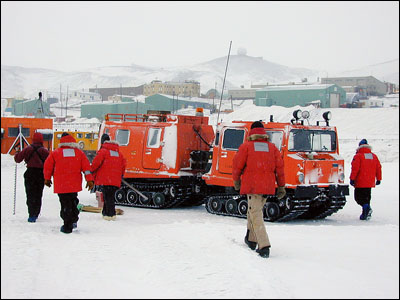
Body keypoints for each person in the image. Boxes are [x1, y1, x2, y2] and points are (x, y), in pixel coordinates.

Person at [232, 121, 286, 258]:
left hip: (253, 185)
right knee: (253, 211)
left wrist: (237, 181)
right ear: (263, 132)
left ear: (251, 132)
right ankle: (251, 239)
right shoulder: (272, 148)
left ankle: (264, 245)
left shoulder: (246, 147)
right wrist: (281, 186)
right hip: (267, 187)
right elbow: (280, 169)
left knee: (255, 214)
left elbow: (237, 166)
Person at [43, 133, 94, 233]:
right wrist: (89, 179)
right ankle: (73, 219)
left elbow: (48, 167)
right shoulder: (79, 153)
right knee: (73, 201)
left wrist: (47, 178)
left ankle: (67, 226)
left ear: (61, 141)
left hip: (61, 185)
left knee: (65, 204)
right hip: (74, 184)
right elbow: (86, 168)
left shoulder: (56, 153)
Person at [14, 132, 50, 222]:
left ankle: (31, 214)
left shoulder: (28, 149)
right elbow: (50, 163)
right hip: (40, 174)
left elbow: (18, 159)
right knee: (38, 194)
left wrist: (17, 152)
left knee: (30, 194)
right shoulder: (44, 151)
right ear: (42, 140)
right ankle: (36, 213)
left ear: (33, 139)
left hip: (30, 173)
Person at [91, 133, 126, 220]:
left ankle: (110, 214)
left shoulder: (103, 151)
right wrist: (120, 175)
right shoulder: (118, 153)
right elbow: (123, 165)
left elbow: (96, 163)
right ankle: (106, 213)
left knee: (107, 197)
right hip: (115, 179)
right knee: (110, 196)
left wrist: (90, 171)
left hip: (106, 179)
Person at [350, 139, 382, 220]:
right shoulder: (373, 156)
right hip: (370, 182)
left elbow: (355, 169)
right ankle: (365, 212)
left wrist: (352, 179)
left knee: (358, 198)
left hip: (360, 181)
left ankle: (366, 209)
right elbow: (378, 168)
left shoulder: (358, 156)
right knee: (367, 198)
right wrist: (378, 178)